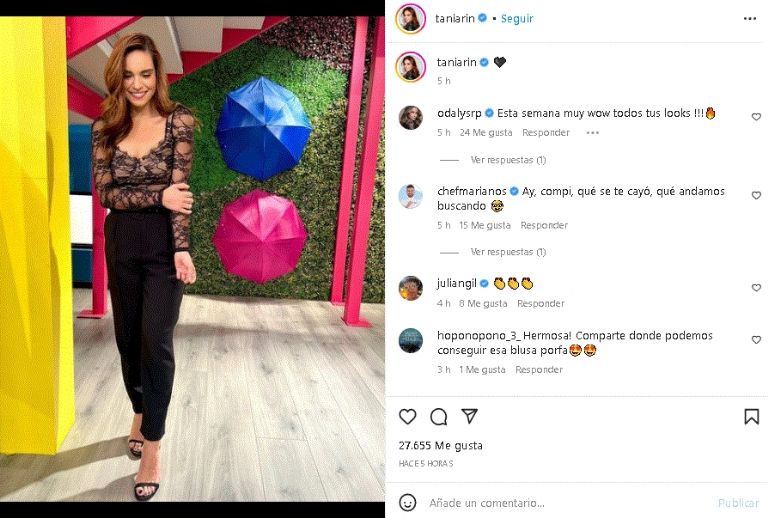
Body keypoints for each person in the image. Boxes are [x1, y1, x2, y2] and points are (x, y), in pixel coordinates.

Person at [91, 32, 197, 502]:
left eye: (146, 74)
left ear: (158, 75)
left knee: (156, 340)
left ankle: (152, 444)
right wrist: (158, 195)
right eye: (129, 75)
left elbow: (181, 196)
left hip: (163, 247)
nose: (138, 84)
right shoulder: (104, 128)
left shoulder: (179, 122)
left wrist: (182, 248)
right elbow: (106, 194)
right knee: (128, 340)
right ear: (119, 79)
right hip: (122, 243)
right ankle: (140, 408)